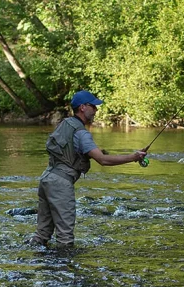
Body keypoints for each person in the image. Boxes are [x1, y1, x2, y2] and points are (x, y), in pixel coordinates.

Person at [31, 91, 147, 249]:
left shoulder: (66, 124)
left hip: (47, 178)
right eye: (93, 106)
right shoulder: (81, 133)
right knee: (65, 238)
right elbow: (103, 160)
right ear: (82, 107)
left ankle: (36, 264)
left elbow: (75, 152)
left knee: (42, 234)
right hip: (60, 184)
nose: (96, 109)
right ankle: (63, 272)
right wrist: (134, 157)